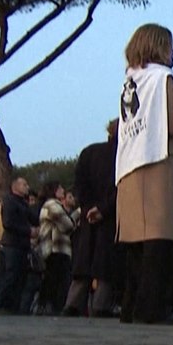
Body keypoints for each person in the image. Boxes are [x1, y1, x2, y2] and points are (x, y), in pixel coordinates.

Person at [115, 23, 173, 325]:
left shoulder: (131, 80)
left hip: (129, 166)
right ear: (159, 46)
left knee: (135, 245)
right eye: (171, 46)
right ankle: (152, 309)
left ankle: (131, 306)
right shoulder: (162, 78)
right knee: (159, 242)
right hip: (157, 164)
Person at [64, 123, 119, 317]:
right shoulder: (125, 156)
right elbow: (122, 188)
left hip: (88, 215)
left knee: (84, 263)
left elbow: (79, 184)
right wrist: (104, 209)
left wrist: (87, 207)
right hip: (111, 216)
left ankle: (73, 304)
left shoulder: (89, 152)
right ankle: (100, 306)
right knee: (105, 265)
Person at [0, 177, 36, 314]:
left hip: (22, 245)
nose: (27, 187)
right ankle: (3, 306)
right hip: (12, 245)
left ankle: (14, 307)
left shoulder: (23, 203)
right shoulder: (9, 201)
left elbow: (34, 218)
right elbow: (8, 223)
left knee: (20, 277)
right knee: (11, 276)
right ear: (15, 187)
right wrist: (28, 231)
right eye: (24, 184)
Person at [36, 182, 76, 315]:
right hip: (56, 247)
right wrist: (77, 215)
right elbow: (67, 225)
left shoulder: (51, 206)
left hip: (55, 248)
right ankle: (51, 307)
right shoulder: (53, 205)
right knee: (57, 280)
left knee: (52, 279)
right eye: (60, 188)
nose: (63, 190)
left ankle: (46, 306)